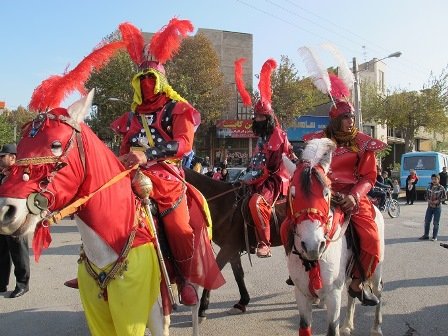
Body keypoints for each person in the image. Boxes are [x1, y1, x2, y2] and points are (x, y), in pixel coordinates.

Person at [110, 19, 224, 306]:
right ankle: (96, 266)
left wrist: (147, 155)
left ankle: (185, 277)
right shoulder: (131, 116)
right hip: (131, 171)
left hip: (166, 173)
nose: (146, 84)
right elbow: (124, 147)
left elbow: (184, 144)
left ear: (161, 79)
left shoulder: (179, 109)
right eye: (141, 79)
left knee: (180, 227)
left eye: (151, 78)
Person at [302, 73, 387, 306]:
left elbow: (370, 176)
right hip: (324, 194)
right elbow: (310, 168)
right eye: (346, 117)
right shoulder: (319, 141)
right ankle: (301, 273)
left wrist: (354, 196)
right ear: (335, 120)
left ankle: (357, 282)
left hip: (352, 196)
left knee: (371, 237)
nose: (351, 121)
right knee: (294, 223)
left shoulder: (363, 143)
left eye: (352, 116)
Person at [235, 57, 296, 258]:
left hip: (273, 180)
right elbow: (256, 162)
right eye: (256, 117)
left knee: (256, 202)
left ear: (268, 118)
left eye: (261, 117)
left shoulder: (277, 135)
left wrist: (254, 176)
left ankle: (264, 242)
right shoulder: (261, 136)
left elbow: (274, 164)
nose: (257, 120)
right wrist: (246, 175)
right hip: (258, 177)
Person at [0, 144, 30, 298]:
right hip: (2, 219)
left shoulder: (22, 174)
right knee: (1, 252)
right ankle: (1, 283)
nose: (0, 159)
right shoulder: (3, 173)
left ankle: (22, 284)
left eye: (2, 156)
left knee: (19, 252)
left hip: (16, 219)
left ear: (13, 157)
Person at [419, 174, 446, 241]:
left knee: (436, 223)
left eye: (435, 179)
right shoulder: (429, 187)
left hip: (437, 208)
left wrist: (438, 201)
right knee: (427, 221)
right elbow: (425, 195)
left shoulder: (441, 188)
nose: (434, 180)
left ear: (438, 180)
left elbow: (444, 197)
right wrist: (427, 199)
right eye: (432, 179)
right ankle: (426, 235)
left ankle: (434, 237)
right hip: (430, 207)